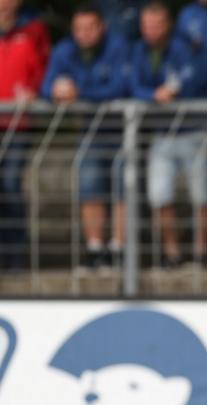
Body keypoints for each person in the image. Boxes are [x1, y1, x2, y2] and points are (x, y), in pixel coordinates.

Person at [41, 2, 130, 269]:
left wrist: (80, 94)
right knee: (90, 189)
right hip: (90, 131)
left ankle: (118, 250)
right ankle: (95, 250)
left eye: (90, 27)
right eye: (79, 28)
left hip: (122, 132)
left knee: (121, 192)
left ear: (101, 27)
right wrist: (57, 92)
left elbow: (120, 86)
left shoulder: (118, 45)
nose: (85, 33)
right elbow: (46, 86)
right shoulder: (65, 49)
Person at [130, 1, 207, 268]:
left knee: (201, 196)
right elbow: (132, 85)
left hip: (192, 131)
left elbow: (188, 79)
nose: (151, 30)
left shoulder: (182, 47)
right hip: (162, 134)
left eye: (156, 24)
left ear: (167, 25)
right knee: (160, 196)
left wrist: (169, 90)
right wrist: (153, 95)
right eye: (146, 25)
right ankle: (172, 254)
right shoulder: (138, 49)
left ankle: (200, 255)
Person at [0, 0, 49, 270]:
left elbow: (44, 70)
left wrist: (36, 91)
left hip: (17, 125)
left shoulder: (33, 30)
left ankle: (15, 257)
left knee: (10, 185)